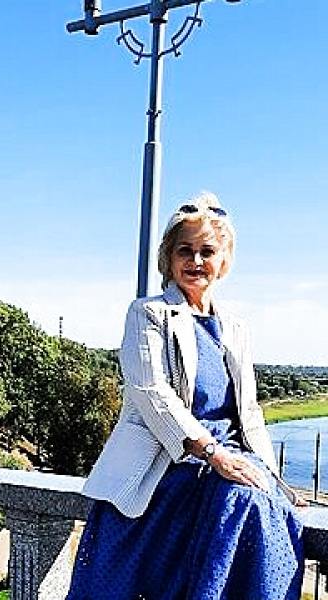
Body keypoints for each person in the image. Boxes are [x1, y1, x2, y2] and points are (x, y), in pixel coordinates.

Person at [66, 193, 305, 600]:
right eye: (185, 250)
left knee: (256, 505)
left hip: (227, 461)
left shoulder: (235, 327)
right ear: (169, 257)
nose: (195, 261)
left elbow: (248, 412)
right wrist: (211, 453)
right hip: (170, 465)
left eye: (206, 251)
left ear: (223, 260)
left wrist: (275, 482)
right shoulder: (148, 313)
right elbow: (152, 392)